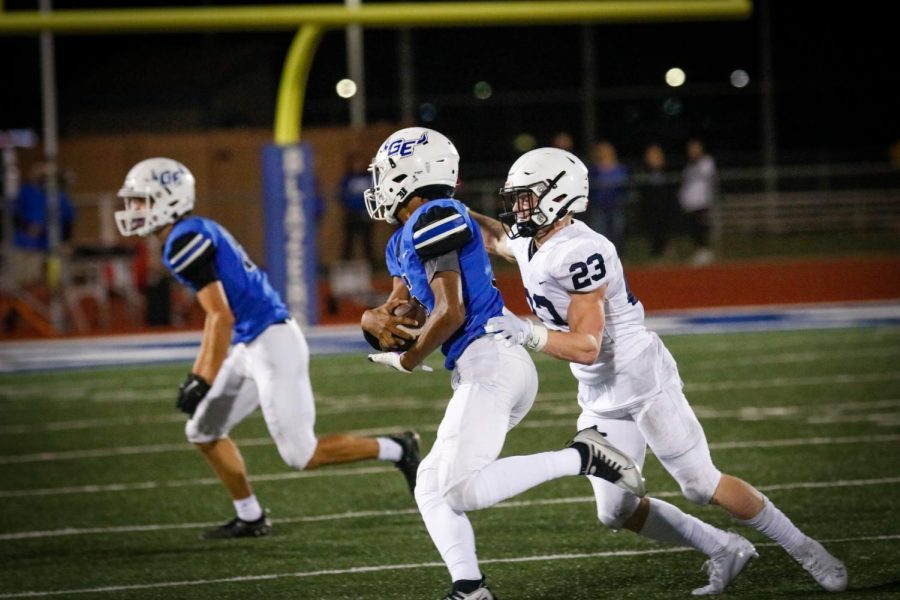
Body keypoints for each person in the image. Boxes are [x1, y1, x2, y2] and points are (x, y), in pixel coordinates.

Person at [471, 147, 848, 595]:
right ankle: (724, 548)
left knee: (700, 484)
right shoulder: (536, 239)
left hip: (641, 381)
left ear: (557, 197)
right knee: (614, 510)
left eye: (526, 197)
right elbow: (495, 236)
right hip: (599, 396)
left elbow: (588, 347)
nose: (517, 208)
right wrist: (444, 207)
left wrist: (529, 333)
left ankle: (810, 552)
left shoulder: (580, 250)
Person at [360, 128, 645, 600]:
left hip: (493, 358)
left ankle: (584, 456)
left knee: (459, 490)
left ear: (408, 173)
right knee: (430, 485)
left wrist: (408, 359)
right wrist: (376, 320)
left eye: (383, 172)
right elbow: (404, 309)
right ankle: (470, 588)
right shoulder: (401, 240)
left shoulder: (436, 215)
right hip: (479, 367)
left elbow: (449, 312)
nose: (377, 182)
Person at [114, 157, 420, 539]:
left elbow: (218, 316)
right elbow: (223, 317)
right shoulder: (192, 231)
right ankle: (250, 516)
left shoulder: (184, 240)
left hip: (272, 342)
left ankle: (398, 448)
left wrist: (201, 376)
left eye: (142, 200)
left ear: (167, 199)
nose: (134, 209)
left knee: (300, 454)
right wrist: (203, 375)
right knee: (203, 430)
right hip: (251, 342)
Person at [11, 162, 76, 287]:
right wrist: (27, 228)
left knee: (55, 281)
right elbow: (14, 215)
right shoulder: (26, 192)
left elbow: (68, 220)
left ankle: (53, 300)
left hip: (52, 246)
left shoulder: (59, 195)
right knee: (28, 281)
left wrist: (66, 241)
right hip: (27, 245)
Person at [585, 140, 630, 252]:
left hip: (617, 206)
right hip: (599, 207)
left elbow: (625, 186)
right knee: (598, 234)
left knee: (617, 233)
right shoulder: (593, 169)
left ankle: (618, 256)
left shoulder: (620, 168)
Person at [679, 139, 717, 266]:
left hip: (702, 201)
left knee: (701, 227)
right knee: (693, 228)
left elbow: (706, 175)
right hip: (690, 203)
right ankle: (700, 250)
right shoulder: (688, 165)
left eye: (695, 148)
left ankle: (705, 250)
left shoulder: (707, 161)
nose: (692, 152)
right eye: (691, 149)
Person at [636, 143, 676, 258]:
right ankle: (655, 253)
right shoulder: (643, 171)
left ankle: (666, 251)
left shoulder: (668, 169)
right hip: (649, 208)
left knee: (665, 231)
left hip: (666, 207)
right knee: (652, 232)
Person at [338, 151, 375, 264]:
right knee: (348, 242)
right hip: (352, 214)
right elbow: (341, 195)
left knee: (368, 242)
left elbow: (375, 195)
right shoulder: (347, 178)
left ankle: (372, 267)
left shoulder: (369, 178)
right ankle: (346, 266)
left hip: (366, 214)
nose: (358, 165)